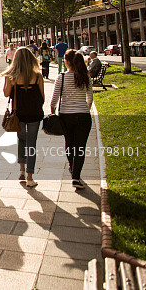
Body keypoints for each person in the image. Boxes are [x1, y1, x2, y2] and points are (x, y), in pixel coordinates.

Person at [2, 47, 45, 188]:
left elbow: (6, 94)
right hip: (34, 113)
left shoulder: (11, 76)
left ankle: (21, 170)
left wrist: (8, 81)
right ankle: (30, 177)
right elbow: (42, 97)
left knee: (21, 140)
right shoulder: (37, 76)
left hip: (18, 113)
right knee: (32, 143)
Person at [50, 49, 93, 190]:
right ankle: (76, 176)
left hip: (66, 116)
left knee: (69, 144)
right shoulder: (85, 76)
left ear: (66, 62)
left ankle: (71, 167)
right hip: (83, 116)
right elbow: (90, 97)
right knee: (80, 147)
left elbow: (54, 98)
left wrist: (52, 109)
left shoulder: (61, 77)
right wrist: (85, 107)